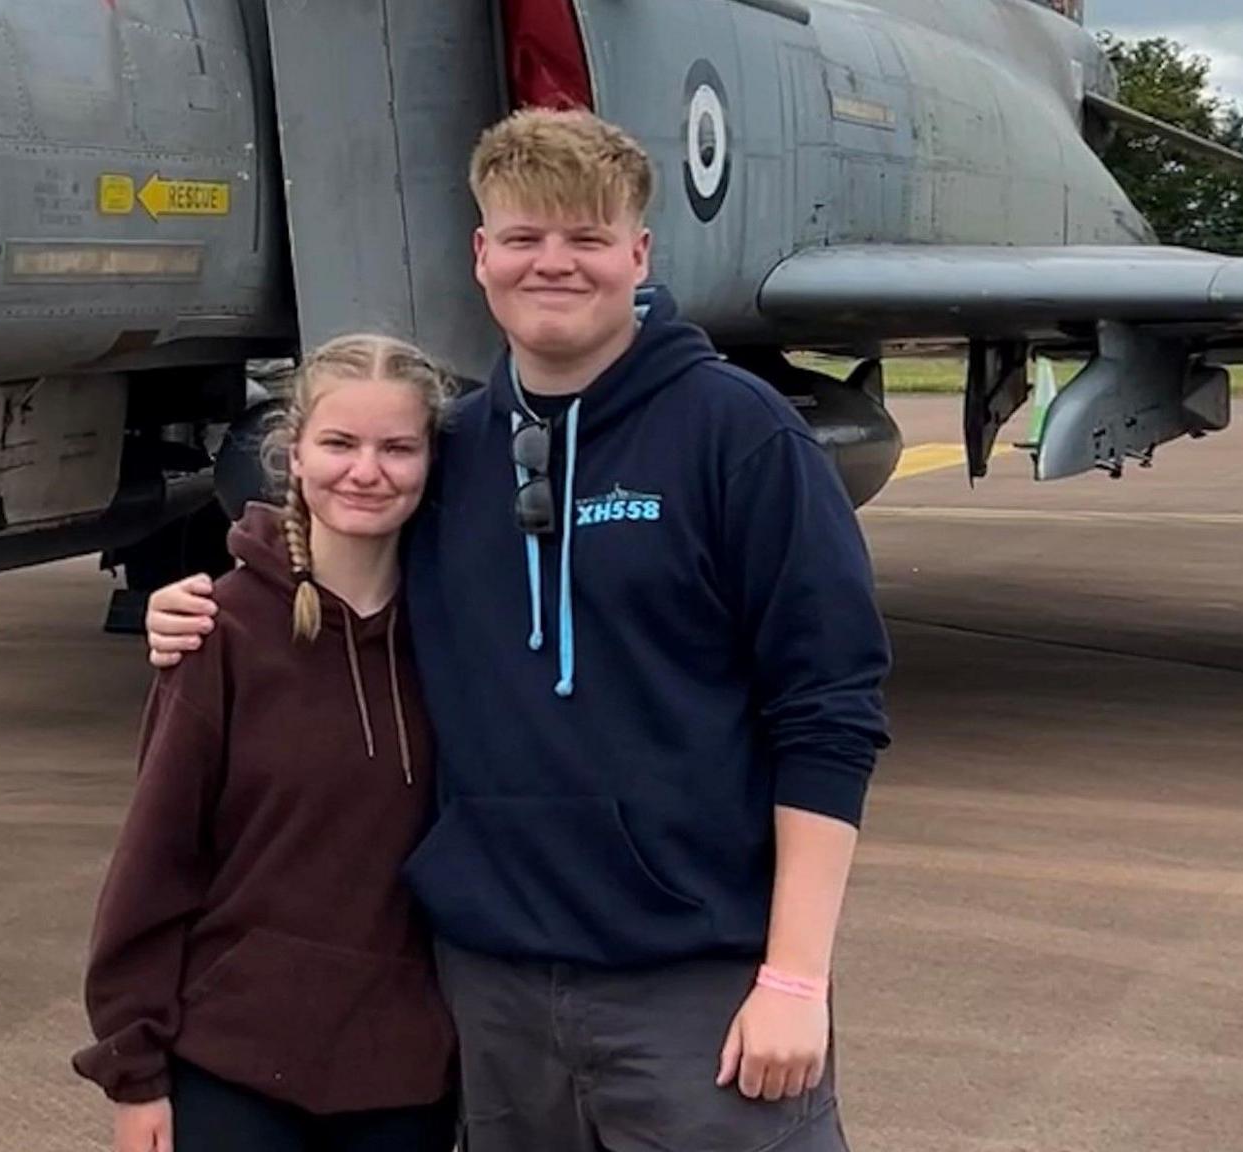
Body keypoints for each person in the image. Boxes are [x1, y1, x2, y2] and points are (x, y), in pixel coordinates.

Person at [148, 107, 892, 1152]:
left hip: (694, 990)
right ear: (481, 256)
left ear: (636, 253)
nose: (555, 264)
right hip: (488, 995)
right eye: (524, 237)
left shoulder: (739, 436)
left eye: (586, 239)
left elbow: (829, 714)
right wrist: (205, 601)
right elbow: (341, 559)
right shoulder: (448, 457)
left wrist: (793, 977)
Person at [73, 334, 461, 1152]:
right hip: (233, 1068)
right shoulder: (221, 632)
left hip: (407, 1077)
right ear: (294, 453)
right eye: (339, 444)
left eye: (398, 447)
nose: (366, 471)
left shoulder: (463, 640)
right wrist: (134, 1071)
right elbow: (156, 862)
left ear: (431, 460)